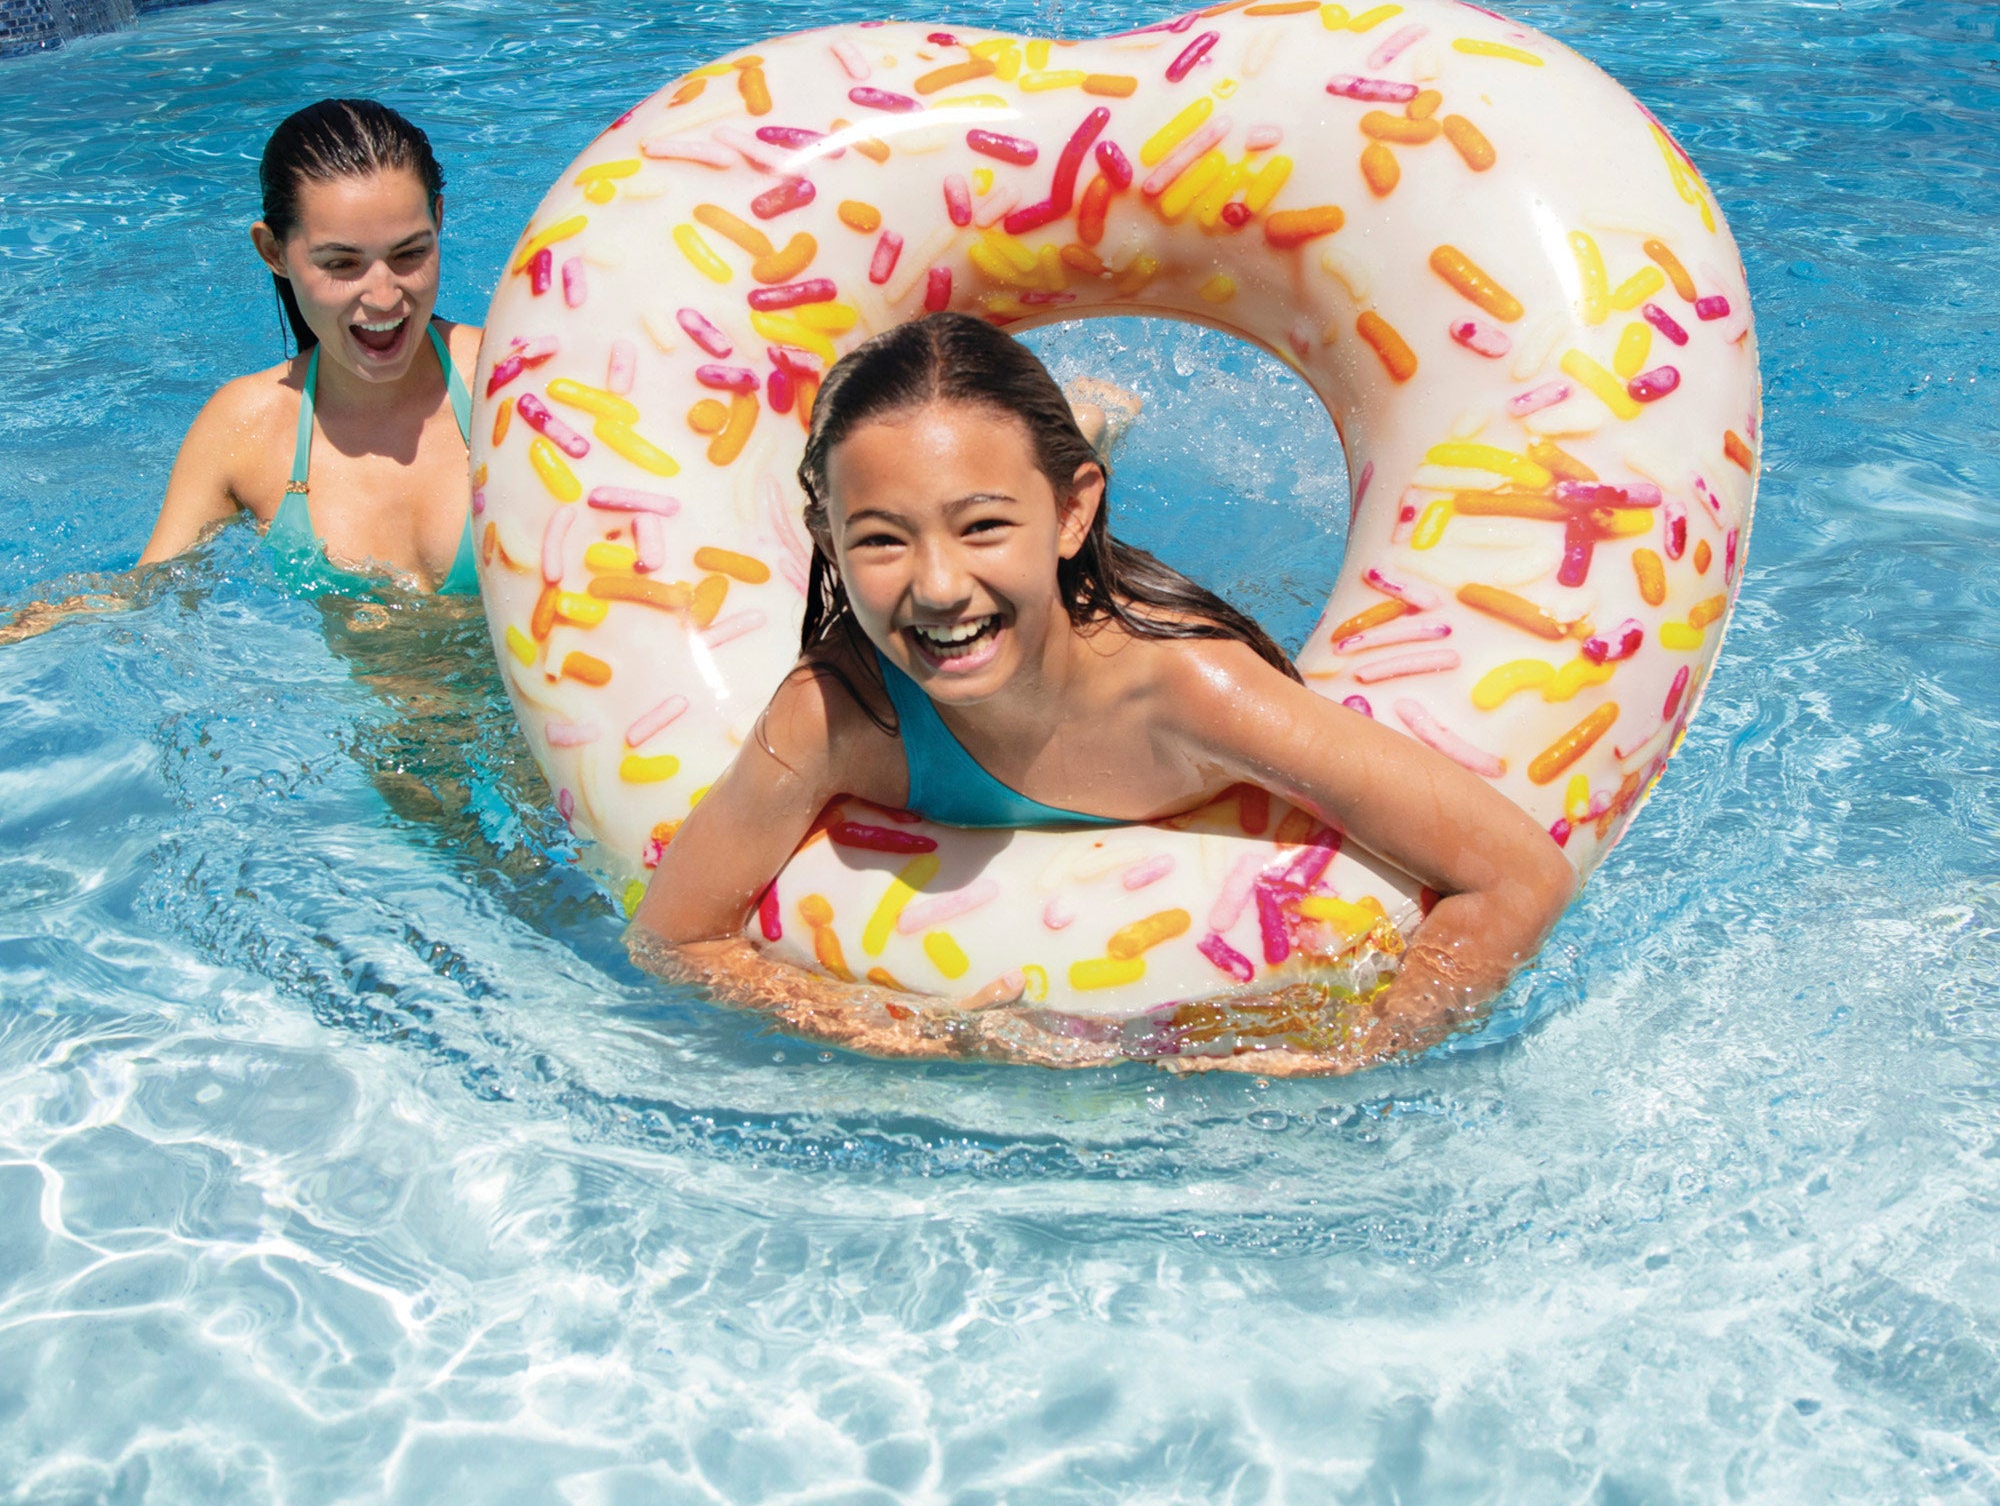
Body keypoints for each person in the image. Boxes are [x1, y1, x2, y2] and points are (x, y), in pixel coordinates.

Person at [631, 312, 1575, 1073]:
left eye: (982, 526)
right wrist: (864, 1025)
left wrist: (1371, 1049)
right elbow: (675, 939)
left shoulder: (1192, 692)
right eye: (881, 539)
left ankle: (1087, 437)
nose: (938, 585)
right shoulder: (840, 715)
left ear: (1076, 510)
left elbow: (1515, 875)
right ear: (829, 547)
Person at [139, 98, 481, 595]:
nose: (384, 297)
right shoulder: (245, 430)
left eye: (410, 253)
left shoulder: (509, 381)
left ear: (440, 220)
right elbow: (142, 601)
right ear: (273, 252)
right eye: (341, 264)